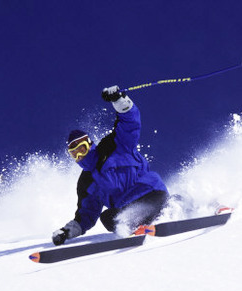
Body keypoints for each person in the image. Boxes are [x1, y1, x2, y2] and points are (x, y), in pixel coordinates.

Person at [52, 85, 169, 246]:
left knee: (142, 209)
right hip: (128, 210)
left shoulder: (114, 146)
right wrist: (66, 232)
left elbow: (130, 124)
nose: (80, 155)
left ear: (90, 144)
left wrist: (119, 100)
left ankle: (178, 205)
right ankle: (137, 227)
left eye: (82, 148)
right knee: (107, 218)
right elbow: (86, 214)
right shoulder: (87, 182)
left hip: (150, 193)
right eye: (75, 153)